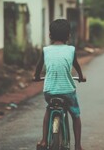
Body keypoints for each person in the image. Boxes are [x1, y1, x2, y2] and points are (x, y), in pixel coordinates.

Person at [35, 19, 86, 150]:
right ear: (69, 35)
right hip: (67, 91)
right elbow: (77, 65)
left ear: (50, 35)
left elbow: (39, 66)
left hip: (50, 91)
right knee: (75, 115)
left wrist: (36, 77)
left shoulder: (46, 50)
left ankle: (43, 141)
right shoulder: (71, 50)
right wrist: (80, 77)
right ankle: (78, 146)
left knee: (48, 110)